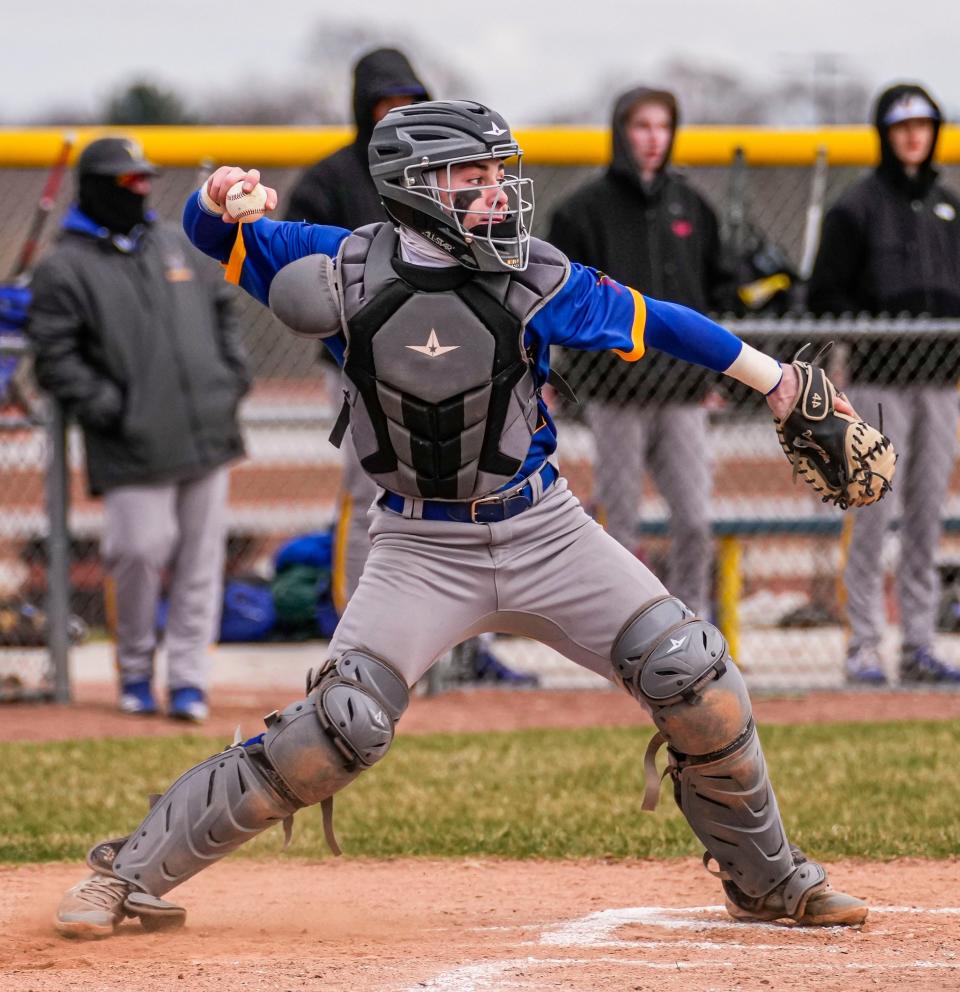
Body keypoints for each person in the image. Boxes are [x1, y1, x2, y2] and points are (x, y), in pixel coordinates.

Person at [54, 101, 867, 939]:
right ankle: (125, 877)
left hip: (545, 530)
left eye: (497, 178)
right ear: (415, 188)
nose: (496, 196)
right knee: (335, 729)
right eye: (473, 180)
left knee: (694, 676)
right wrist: (218, 195)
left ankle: (766, 879)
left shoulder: (532, 274)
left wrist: (773, 381)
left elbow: (660, 321)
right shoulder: (338, 267)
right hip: (417, 546)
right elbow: (212, 232)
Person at [286, 49, 535, 685]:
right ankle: (359, 635)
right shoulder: (330, 178)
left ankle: (460, 648)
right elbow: (313, 277)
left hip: (461, 351)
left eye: (406, 100)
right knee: (372, 487)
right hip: (360, 366)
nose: (394, 113)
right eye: (382, 103)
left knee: (464, 483)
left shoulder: (445, 169)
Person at [29, 137, 249, 722]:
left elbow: (224, 311)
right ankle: (133, 671)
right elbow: (54, 355)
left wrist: (229, 381)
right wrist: (113, 409)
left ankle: (187, 681)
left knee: (202, 562)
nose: (141, 189)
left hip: (205, 429)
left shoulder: (174, 243)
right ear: (100, 187)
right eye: (128, 181)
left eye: (145, 178)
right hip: (130, 442)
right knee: (137, 552)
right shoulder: (63, 264)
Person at [548, 87, 737, 615]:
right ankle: (623, 627)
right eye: (642, 127)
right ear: (620, 131)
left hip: (683, 394)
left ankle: (696, 628)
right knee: (619, 524)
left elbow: (717, 293)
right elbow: (563, 303)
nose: (654, 139)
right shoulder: (582, 211)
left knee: (695, 519)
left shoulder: (692, 206)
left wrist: (715, 376)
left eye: (663, 127)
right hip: (617, 395)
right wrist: (586, 378)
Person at [808, 83, 960, 686]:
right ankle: (865, 645)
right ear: (885, 135)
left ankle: (918, 644)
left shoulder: (950, 208)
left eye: (923, 125)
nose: (913, 136)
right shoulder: (857, 208)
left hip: (942, 383)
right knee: (874, 513)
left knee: (926, 517)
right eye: (901, 127)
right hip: (881, 382)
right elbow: (824, 297)